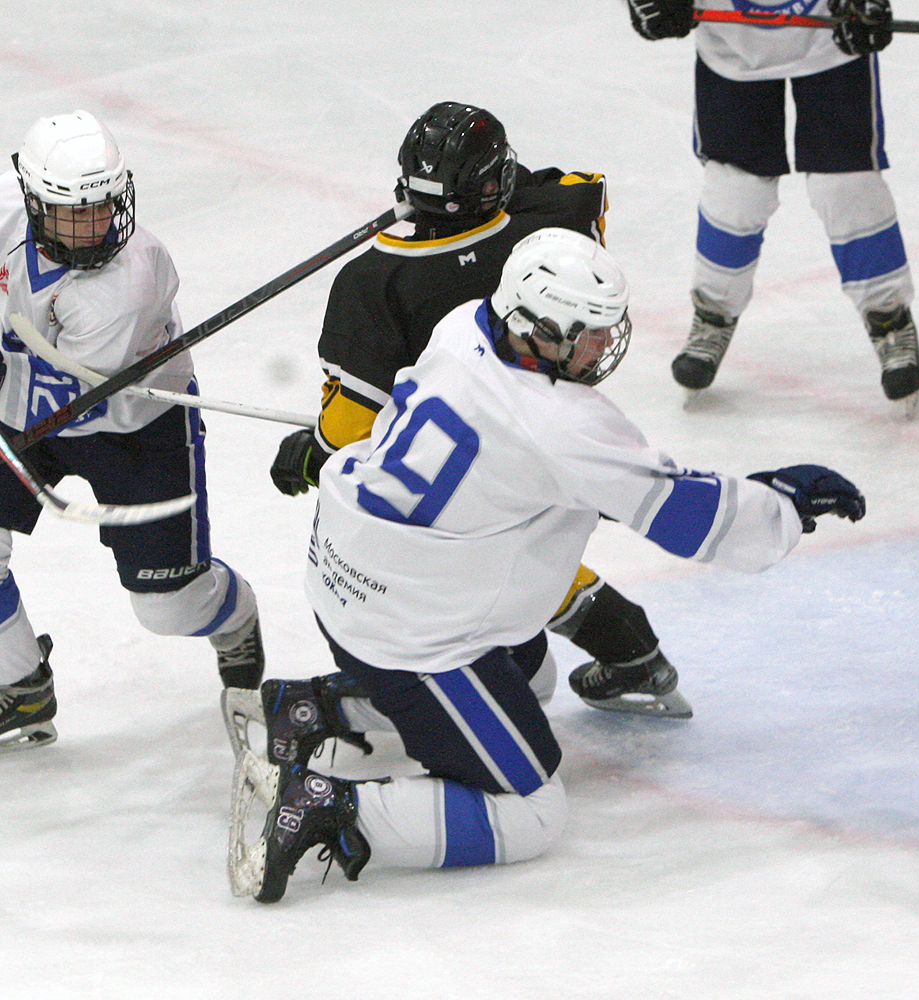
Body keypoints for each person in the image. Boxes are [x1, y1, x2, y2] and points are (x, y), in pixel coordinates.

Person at [229, 228, 864, 902]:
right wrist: (783, 507)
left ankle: (312, 709)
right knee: (529, 810)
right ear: (534, 327)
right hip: (410, 628)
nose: (601, 347)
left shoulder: (464, 325)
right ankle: (324, 804)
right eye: (585, 333)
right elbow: (687, 519)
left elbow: (580, 476)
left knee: (530, 677)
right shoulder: (563, 426)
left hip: (355, 565)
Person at [267, 102, 692, 718]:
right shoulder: (553, 222)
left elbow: (353, 433)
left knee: (479, 560)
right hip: (559, 418)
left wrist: (311, 455)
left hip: (460, 458)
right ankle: (634, 651)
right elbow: (579, 186)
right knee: (529, 549)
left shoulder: (374, 281)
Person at [0, 111, 263, 753]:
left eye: (103, 207)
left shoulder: (129, 281)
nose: (95, 226)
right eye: (73, 213)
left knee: (167, 607)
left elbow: (75, 397)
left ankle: (234, 616)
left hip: (138, 435)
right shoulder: (11, 237)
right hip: (29, 414)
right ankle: (20, 685)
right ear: (34, 202)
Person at [625, 0, 919, 407]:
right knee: (737, 191)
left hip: (828, 41)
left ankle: (888, 317)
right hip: (731, 48)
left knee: (845, 186)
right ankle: (713, 315)